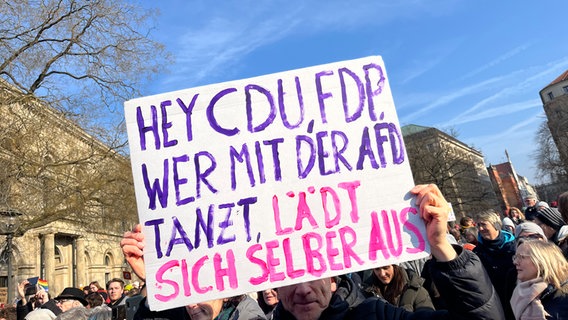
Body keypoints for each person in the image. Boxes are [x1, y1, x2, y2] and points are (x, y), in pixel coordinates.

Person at [121, 184, 505, 320]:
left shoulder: (378, 316)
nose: (302, 289)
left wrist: (442, 249)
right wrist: (160, 284)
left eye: (312, 272)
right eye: (288, 278)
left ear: (335, 273)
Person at [473, 209, 516, 318]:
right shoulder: (477, 252)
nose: (480, 229)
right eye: (478, 225)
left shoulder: (514, 246)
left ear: (496, 225)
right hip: (494, 301)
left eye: (483, 224)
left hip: (516, 296)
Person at [511, 240, 568, 319]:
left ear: (542, 260)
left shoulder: (564, 296)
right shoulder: (521, 292)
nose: (515, 262)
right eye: (515, 257)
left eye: (522, 257)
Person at [362, 264, 434, 312]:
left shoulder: (416, 290)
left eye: (386, 267)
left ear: (395, 266)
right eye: (377, 269)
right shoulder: (366, 292)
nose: (382, 273)